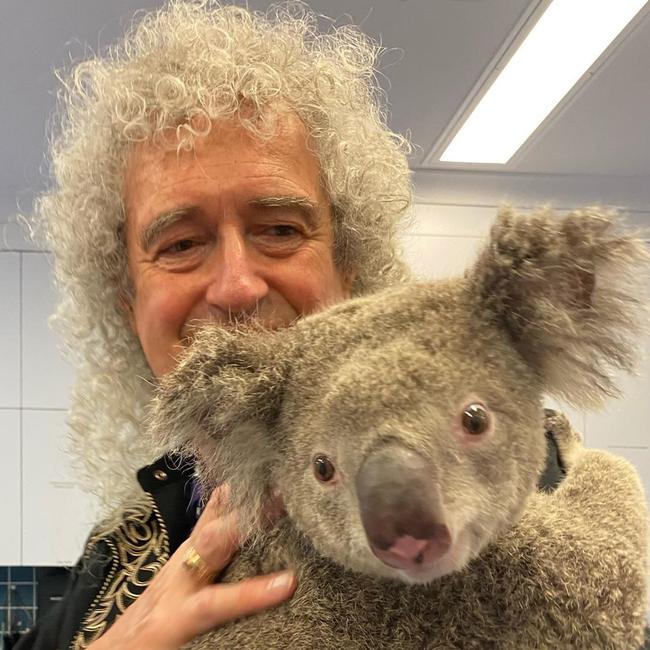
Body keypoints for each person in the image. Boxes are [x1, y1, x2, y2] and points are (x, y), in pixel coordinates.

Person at [16, 2, 566, 649]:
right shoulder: (125, 541)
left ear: (349, 266)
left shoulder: (513, 479)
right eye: (181, 244)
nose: (237, 286)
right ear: (128, 300)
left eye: (280, 229)